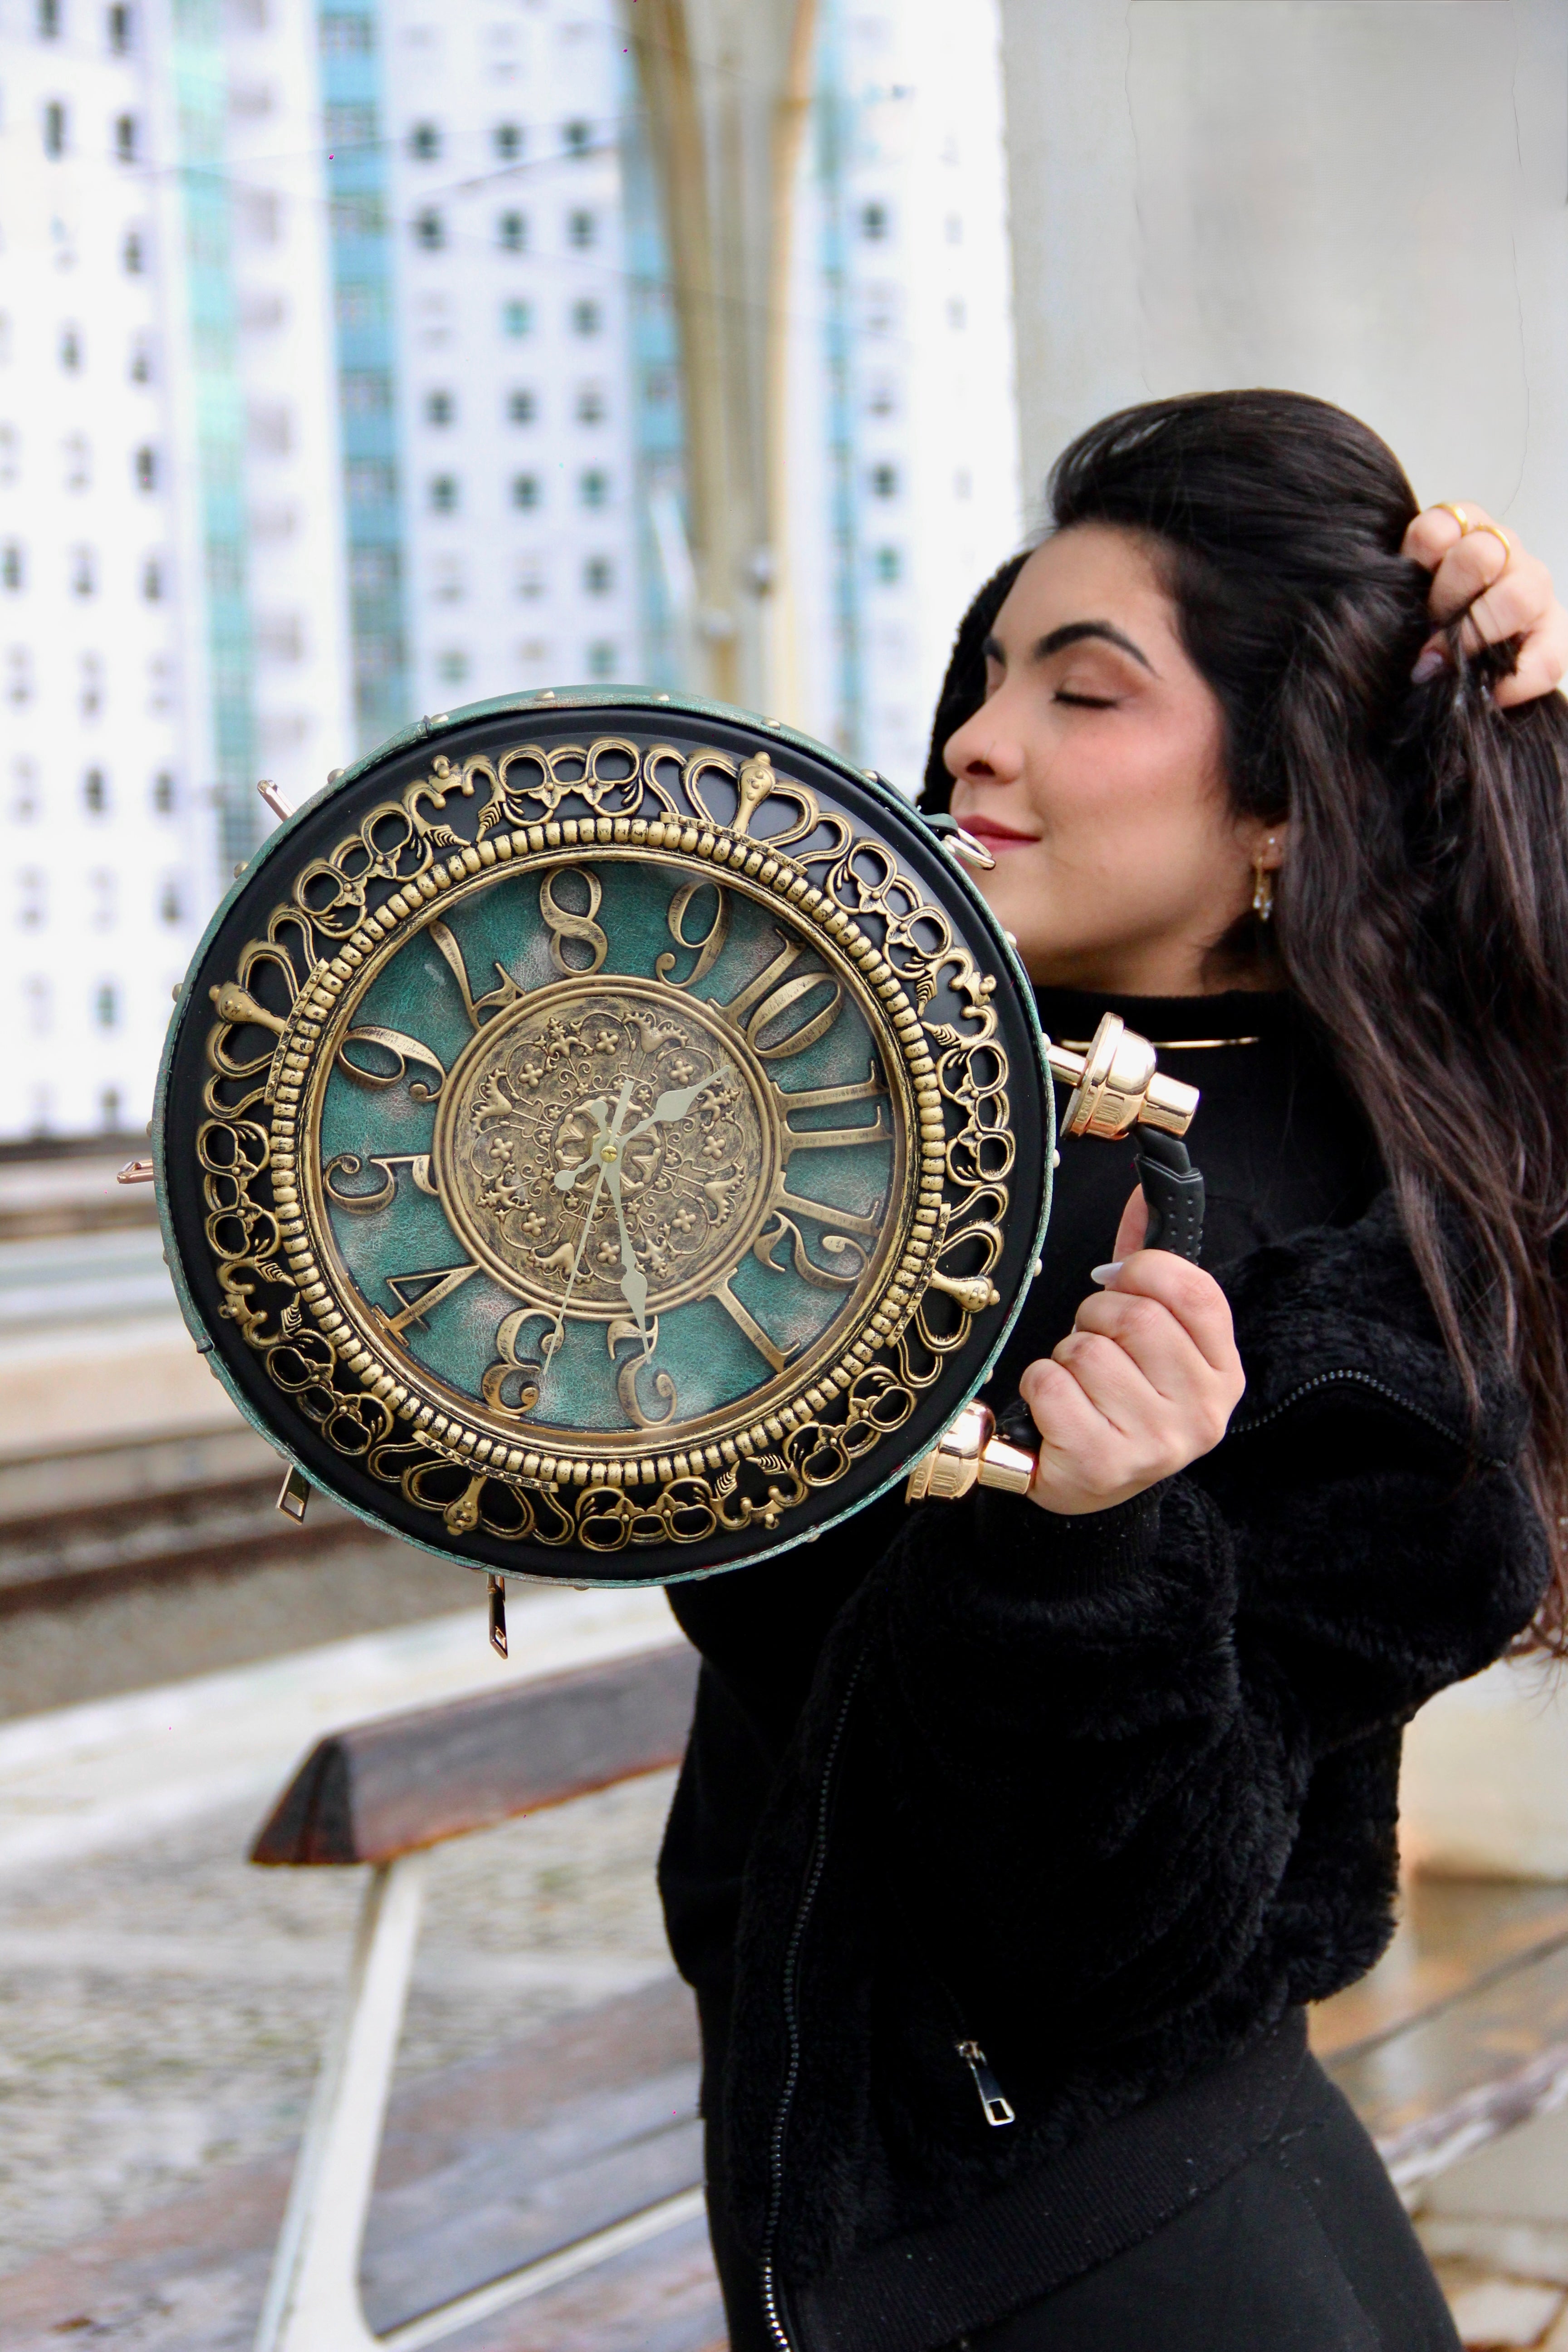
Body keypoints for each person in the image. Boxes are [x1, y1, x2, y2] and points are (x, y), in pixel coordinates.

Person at [657, 391, 1568, 2352]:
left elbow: (1123, 1947)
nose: (978, 740)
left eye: (1083, 692)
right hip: (894, 2190)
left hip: (1086, 2262)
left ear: (1287, 806)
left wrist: (1089, 1553)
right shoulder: (904, 1126)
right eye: (990, 673)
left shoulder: (1359, 1288)